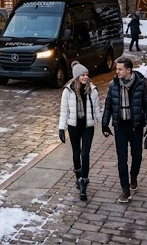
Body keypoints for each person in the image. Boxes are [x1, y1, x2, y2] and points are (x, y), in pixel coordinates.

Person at [102, 57, 147, 203]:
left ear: (128, 70)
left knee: (137, 156)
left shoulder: (141, 84)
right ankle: (125, 189)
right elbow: (108, 106)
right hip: (120, 126)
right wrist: (105, 124)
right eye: (117, 69)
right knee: (122, 159)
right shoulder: (113, 85)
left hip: (136, 125)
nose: (117, 71)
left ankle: (134, 176)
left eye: (120, 69)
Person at [59, 61, 100, 201]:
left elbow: (96, 107)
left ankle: (83, 181)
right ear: (77, 77)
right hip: (74, 126)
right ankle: (78, 177)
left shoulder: (92, 89)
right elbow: (64, 110)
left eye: (87, 74)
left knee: (85, 154)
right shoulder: (67, 91)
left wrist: (102, 123)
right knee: (76, 153)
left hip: (88, 127)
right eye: (82, 75)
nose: (85, 77)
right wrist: (61, 128)